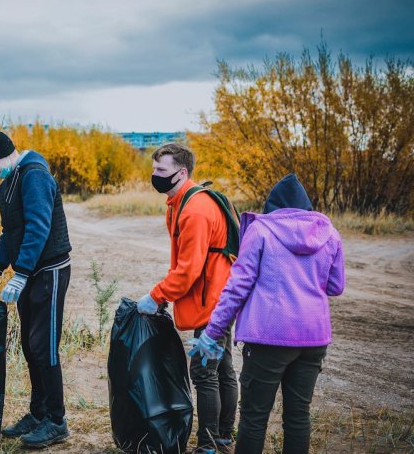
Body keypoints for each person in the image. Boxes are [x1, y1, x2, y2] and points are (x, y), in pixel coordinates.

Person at [190, 174, 346, 454]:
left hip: (268, 338)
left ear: (272, 205)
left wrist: (212, 334)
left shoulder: (261, 231)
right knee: (298, 416)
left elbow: (237, 286)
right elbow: (336, 286)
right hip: (313, 338)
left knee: (254, 418)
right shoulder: (329, 234)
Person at [137, 143, 238, 454]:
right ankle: (222, 436)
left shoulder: (194, 209)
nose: (155, 176)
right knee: (222, 367)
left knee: (205, 371)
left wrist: (157, 296)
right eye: (154, 169)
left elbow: (189, 270)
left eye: (162, 171)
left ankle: (209, 445)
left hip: (214, 300)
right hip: (219, 295)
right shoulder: (181, 200)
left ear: (182, 173)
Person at [0, 129, 72, 448]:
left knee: (44, 345)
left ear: (6, 153)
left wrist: (22, 273)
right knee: (31, 346)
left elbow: (38, 226)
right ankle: (38, 412)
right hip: (30, 273)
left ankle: (57, 421)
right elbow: (11, 231)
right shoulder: (9, 183)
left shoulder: (34, 176)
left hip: (50, 270)